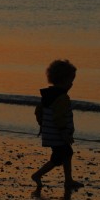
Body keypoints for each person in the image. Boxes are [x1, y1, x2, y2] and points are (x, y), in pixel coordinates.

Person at [32, 59, 84, 190]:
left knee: (67, 153)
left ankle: (68, 180)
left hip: (51, 133)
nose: (72, 84)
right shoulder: (62, 98)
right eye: (70, 81)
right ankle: (37, 175)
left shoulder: (48, 95)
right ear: (64, 81)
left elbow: (38, 111)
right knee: (58, 158)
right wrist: (64, 132)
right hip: (58, 134)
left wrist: (42, 125)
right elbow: (59, 117)